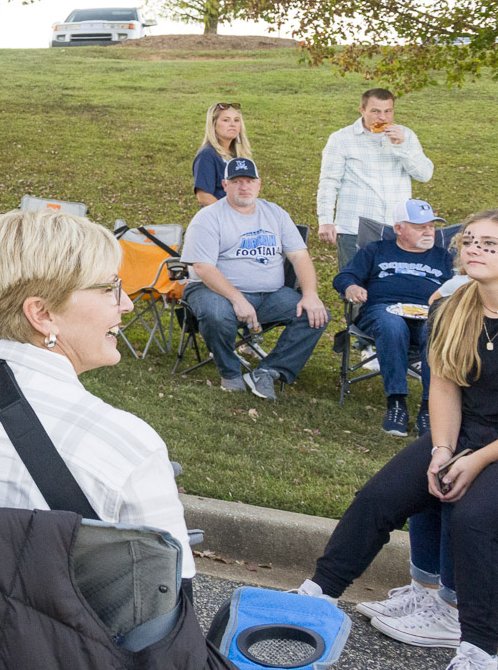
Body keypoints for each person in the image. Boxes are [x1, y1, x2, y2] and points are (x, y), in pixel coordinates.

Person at [0, 208, 196, 582]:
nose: (126, 303)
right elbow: (170, 611)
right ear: (42, 314)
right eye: (109, 288)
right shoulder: (125, 449)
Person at [297, 210, 498, 670]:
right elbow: (444, 384)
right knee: (378, 497)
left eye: (490, 244)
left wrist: (475, 461)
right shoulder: (456, 303)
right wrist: (443, 451)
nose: (475, 249)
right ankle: (316, 595)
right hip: (463, 432)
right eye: (470, 241)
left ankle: (481, 649)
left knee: (473, 520)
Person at [180, 157, 329, 399]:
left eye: (249, 181)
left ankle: (268, 371)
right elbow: (203, 267)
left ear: (259, 184)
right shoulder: (209, 217)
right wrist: (237, 299)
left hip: (270, 295)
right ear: (224, 185)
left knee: (317, 315)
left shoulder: (275, 214)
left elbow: (300, 256)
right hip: (213, 290)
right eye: (236, 181)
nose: (244, 186)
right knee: (217, 314)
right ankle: (230, 373)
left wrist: (311, 295)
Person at [335, 199, 454, 436]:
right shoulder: (377, 250)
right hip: (382, 310)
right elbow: (344, 276)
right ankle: (396, 403)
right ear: (399, 229)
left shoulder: (444, 257)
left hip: (429, 313)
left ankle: (430, 408)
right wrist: (351, 288)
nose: (429, 231)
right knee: (392, 324)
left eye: (431, 226)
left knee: (437, 330)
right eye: (421, 227)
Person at [317, 88, 435, 268]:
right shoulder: (341, 139)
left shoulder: (406, 136)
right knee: (354, 286)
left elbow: (424, 175)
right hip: (354, 227)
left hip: (396, 228)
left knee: (391, 286)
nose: (383, 118)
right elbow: (329, 182)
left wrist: (402, 147)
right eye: (375, 111)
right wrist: (325, 221)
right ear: (362, 110)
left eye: (388, 111)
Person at [193, 102, 253, 207]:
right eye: (226, 120)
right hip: (218, 221)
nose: (232, 124)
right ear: (213, 124)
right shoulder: (207, 155)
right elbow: (203, 196)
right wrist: (228, 215)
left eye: (236, 120)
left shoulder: (239, 155)